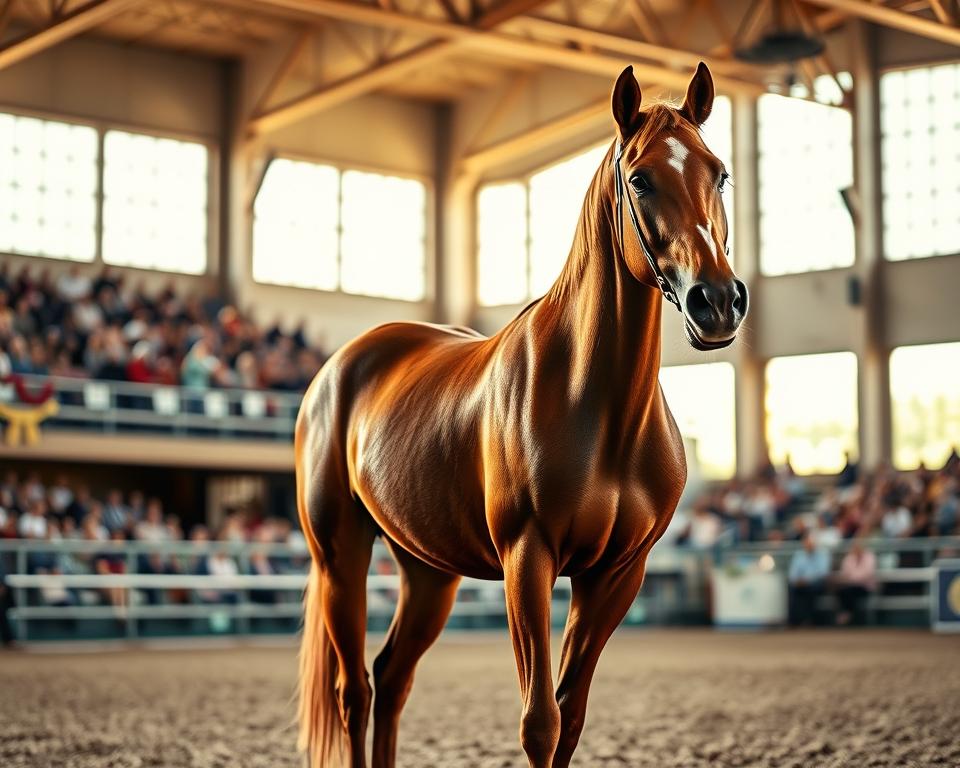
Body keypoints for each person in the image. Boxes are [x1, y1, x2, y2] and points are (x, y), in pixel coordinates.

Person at [787, 533, 830, 626]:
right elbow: (792, 574)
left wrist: (806, 580)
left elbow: (823, 573)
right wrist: (797, 581)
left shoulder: (822, 554)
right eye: (807, 543)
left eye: (811, 543)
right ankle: (793, 621)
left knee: (811, 589)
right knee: (792, 588)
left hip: (817, 584)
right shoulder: (799, 555)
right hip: (800, 584)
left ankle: (809, 619)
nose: (809, 545)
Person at [835, 540, 876, 626]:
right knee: (842, 591)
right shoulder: (849, 558)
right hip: (851, 586)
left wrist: (853, 578)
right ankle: (848, 614)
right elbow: (845, 573)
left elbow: (868, 573)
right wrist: (854, 578)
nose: (856, 550)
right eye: (855, 548)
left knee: (849, 592)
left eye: (859, 548)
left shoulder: (869, 557)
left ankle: (848, 614)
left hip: (865, 587)